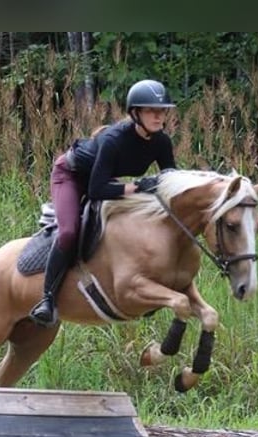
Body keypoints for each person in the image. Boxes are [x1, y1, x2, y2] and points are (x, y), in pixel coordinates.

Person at [28, 79, 178, 328]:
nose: (159, 116)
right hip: (71, 176)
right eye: (152, 110)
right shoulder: (114, 139)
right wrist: (138, 187)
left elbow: (170, 178)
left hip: (104, 178)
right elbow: (97, 190)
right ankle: (47, 300)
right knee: (68, 232)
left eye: (162, 110)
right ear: (135, 113)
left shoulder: (161, 142)